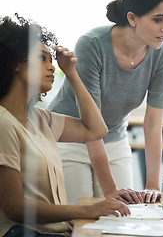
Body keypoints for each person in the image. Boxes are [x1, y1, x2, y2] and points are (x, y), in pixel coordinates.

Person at [0, 15, 132, 237]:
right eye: (42, 58)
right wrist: (88, 210)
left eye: (51, 60)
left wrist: (72, 74)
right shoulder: (4, 124)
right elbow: (15, 207)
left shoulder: (41, 119)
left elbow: (96, 130)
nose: (51, 67)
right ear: (15, 63)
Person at [47, 0, 163, 205]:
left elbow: (153, 123)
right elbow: (90, 123)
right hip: (69, 138)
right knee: (81, 219)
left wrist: (152, 185)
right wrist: (110, 190)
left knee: (125, 215)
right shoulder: (92, 44)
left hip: (114, 139)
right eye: (158, 20)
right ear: (132, 18)